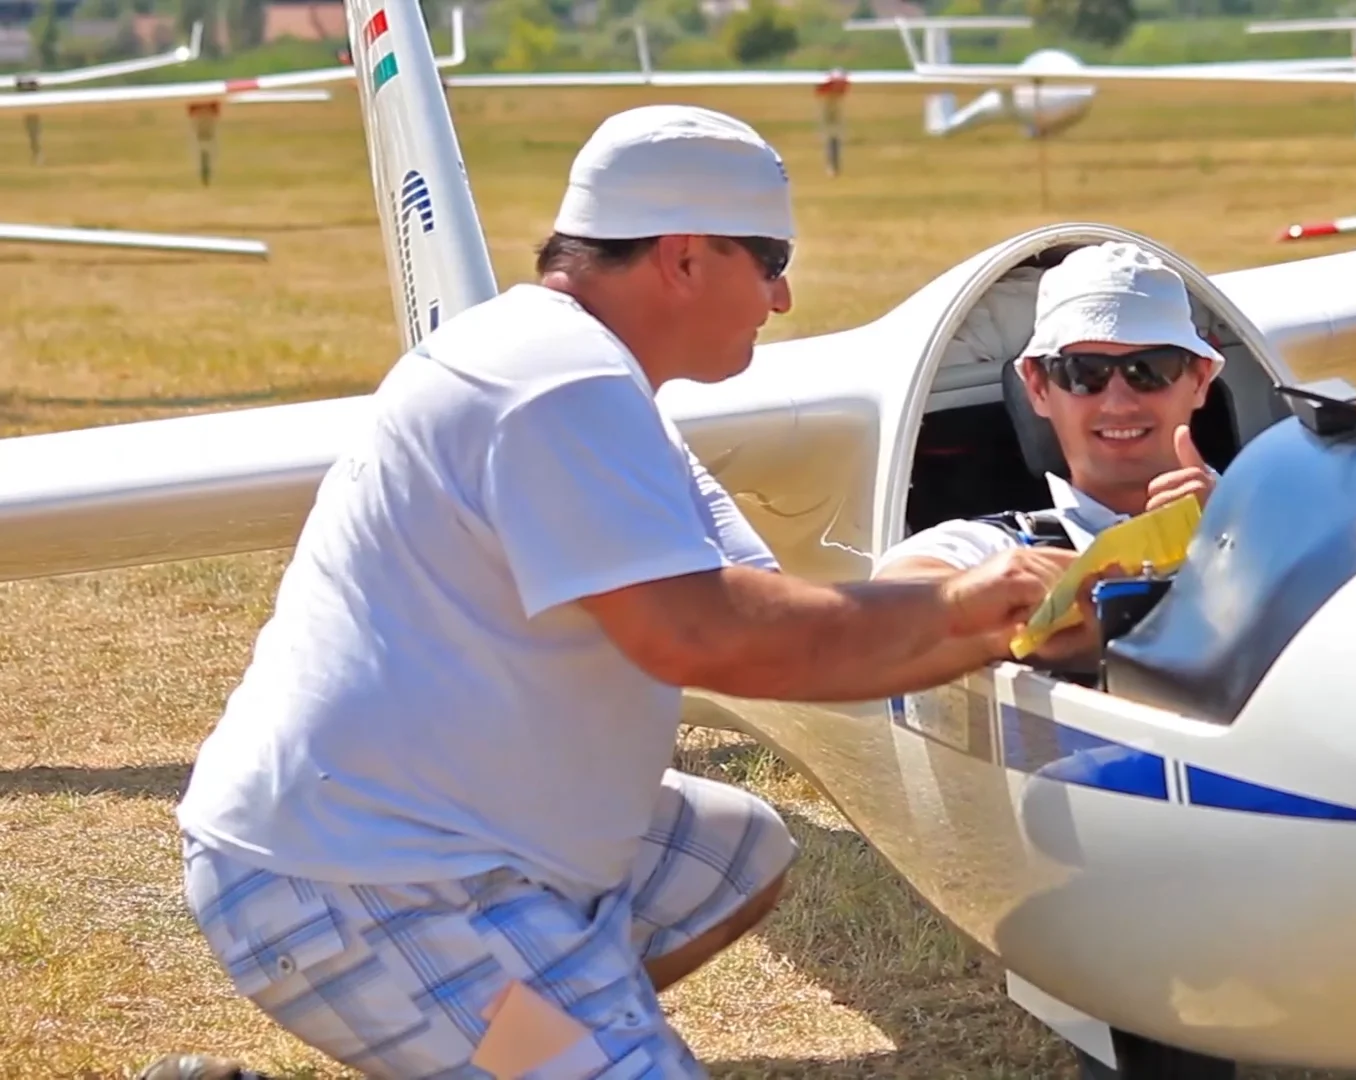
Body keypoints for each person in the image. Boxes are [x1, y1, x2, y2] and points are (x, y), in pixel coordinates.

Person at [140, 105, 1068, 1080]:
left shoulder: (597, 383)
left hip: (444, 833)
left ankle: (519, 1038)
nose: (784, 295)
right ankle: (536, 1039)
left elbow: (778, 623)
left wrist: (1003, 626)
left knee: (732, 856)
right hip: (359, 878)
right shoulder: (555, 386)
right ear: (683, 257)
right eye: (770, 259)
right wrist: (962, 606)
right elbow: (704, 638)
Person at [873, 241, 1225, 662]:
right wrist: (1011, 612)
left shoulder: (1270, 513)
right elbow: (887, 606)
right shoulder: (1004, 547)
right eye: (1083, 373)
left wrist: (1239, 535)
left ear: (1200, 379)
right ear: (1038, 387)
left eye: (1150, 370)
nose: (1118, 403)